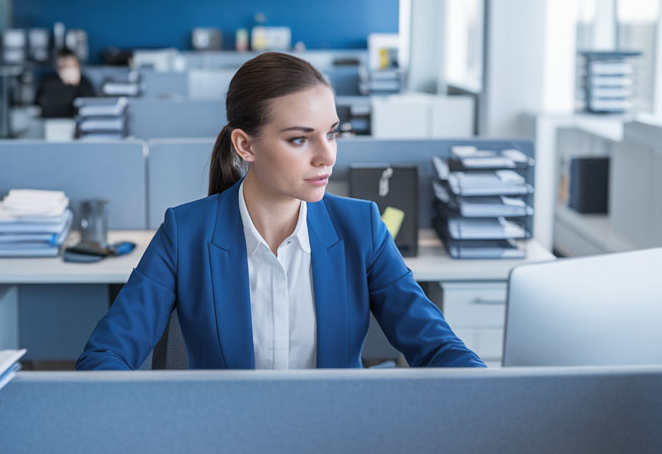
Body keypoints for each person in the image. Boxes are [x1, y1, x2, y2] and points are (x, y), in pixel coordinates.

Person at [76, 52, 485, 370]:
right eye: (299, 140)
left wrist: (496, 400)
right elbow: (104, 357)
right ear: (245, 145)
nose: (327, 156)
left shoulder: (363, 229)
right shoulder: (186, 233)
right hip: (222, 452)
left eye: (332, 133)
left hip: (337, 448)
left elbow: (437, 345)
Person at [35, 49, 95, 118]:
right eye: (61, 66)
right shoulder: (49, 83)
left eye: (68, 65)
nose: (64, 70)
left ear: (76, 65)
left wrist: (76, 83)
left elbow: (90, 108)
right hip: (51, 125)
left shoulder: (84, 83)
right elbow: (39, 106)